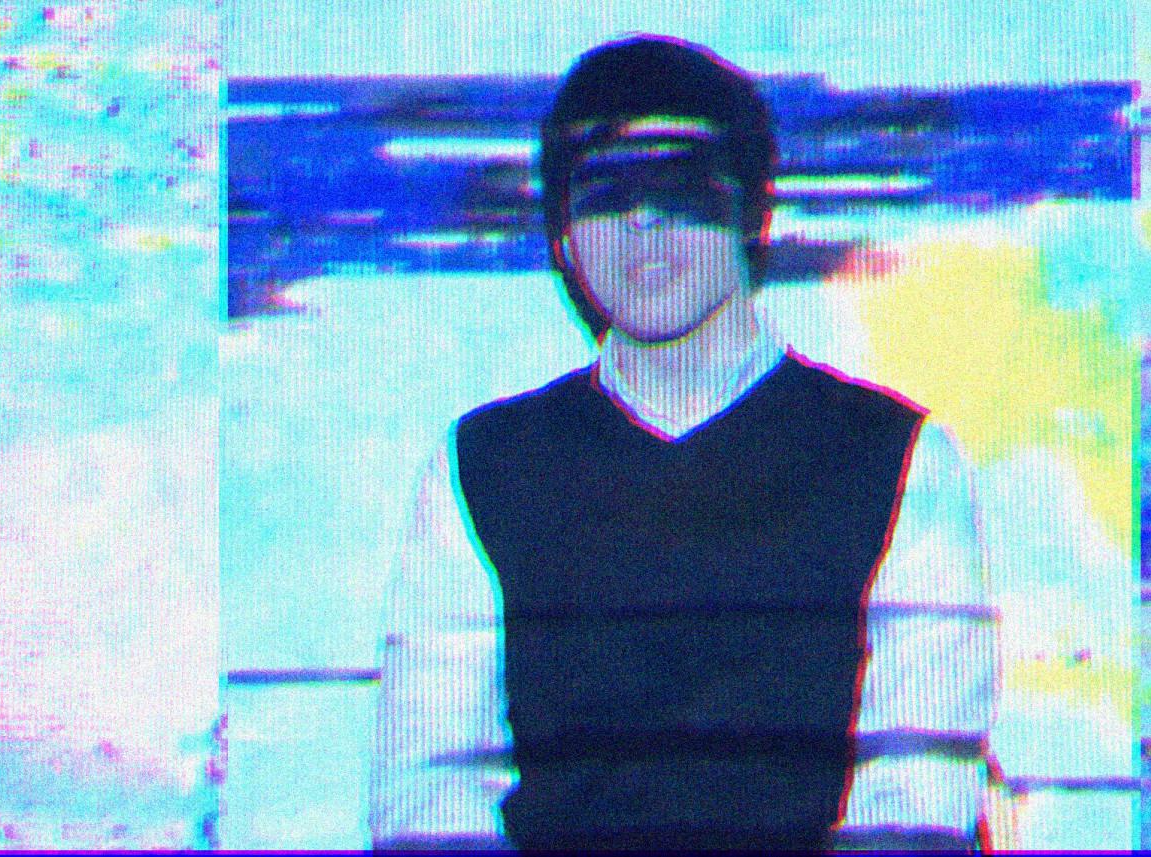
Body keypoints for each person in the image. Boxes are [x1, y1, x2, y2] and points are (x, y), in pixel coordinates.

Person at [369, 35, 995, 852]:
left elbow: (918, 787)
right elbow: (431, 785)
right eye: (605, 192)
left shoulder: (898, 458)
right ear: (562, 233)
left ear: (753, 210)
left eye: (681, 184)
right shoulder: (482, 466)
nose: (645, 223)